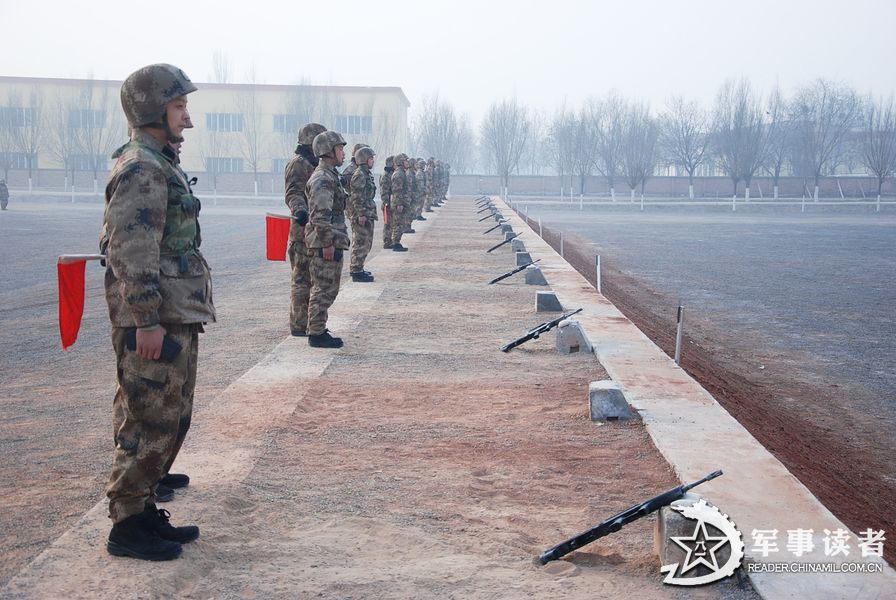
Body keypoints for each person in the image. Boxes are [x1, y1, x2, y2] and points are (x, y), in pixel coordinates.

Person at [99, 64, 214, 561]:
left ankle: (143, 511)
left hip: (172, 310)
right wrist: (145, 319)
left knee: (170, 417)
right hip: (154, 317)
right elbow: (132, 248)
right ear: (152, 110)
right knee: (149, 421)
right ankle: (127, 526)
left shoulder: (156, 161)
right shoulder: (142, 167)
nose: (186, 118)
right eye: (178, 106)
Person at [304, 131, 351, 348]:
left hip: (330, 239)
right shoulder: (323, 178)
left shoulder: (330, 175)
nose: (343, 153)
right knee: (323, 288)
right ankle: (316, 332)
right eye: (340, 149)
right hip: (325, 242)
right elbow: (320, 216)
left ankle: (319, 328)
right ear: (328, 151)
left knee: (328, 289)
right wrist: (327, 243)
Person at [285, 122, 328, 337]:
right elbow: (293, 193)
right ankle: (299, 325)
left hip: (312, 233)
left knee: (312, 279)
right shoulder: (299, 164)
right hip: (301, 232)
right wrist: (300, 210)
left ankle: (308, 323)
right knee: (301, 280)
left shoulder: (313, 164)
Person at [347, 146, 377, 282]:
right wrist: (360, 214)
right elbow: (356, 197)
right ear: (365, 160)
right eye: (371, 158)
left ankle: (359, 267)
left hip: (367, 212)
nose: (373, 161)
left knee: (366, 242)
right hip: (362, 214)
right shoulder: (360, 174)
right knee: (360, 242)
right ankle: (356, 270)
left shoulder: (366, 173)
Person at [389, 153, 411, 251]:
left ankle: (396, 242)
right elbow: (397, 190)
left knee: (400, 223)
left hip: (401, 202)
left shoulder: (402, 173)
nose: (408, 162)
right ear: (401, 162)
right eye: (406, 160)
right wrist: (399, 204)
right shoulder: (399, 174)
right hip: (399, 203)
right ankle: (396, 243)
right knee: (398, 223)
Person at [380, 156, 394, 249]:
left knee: (390, 223)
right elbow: (384, 191)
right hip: (387, 203)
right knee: (387, 223)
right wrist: (386, 203)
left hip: (389, 202)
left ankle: (389, 240)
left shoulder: (389, 174)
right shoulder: (386, 175)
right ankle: (386, 241)